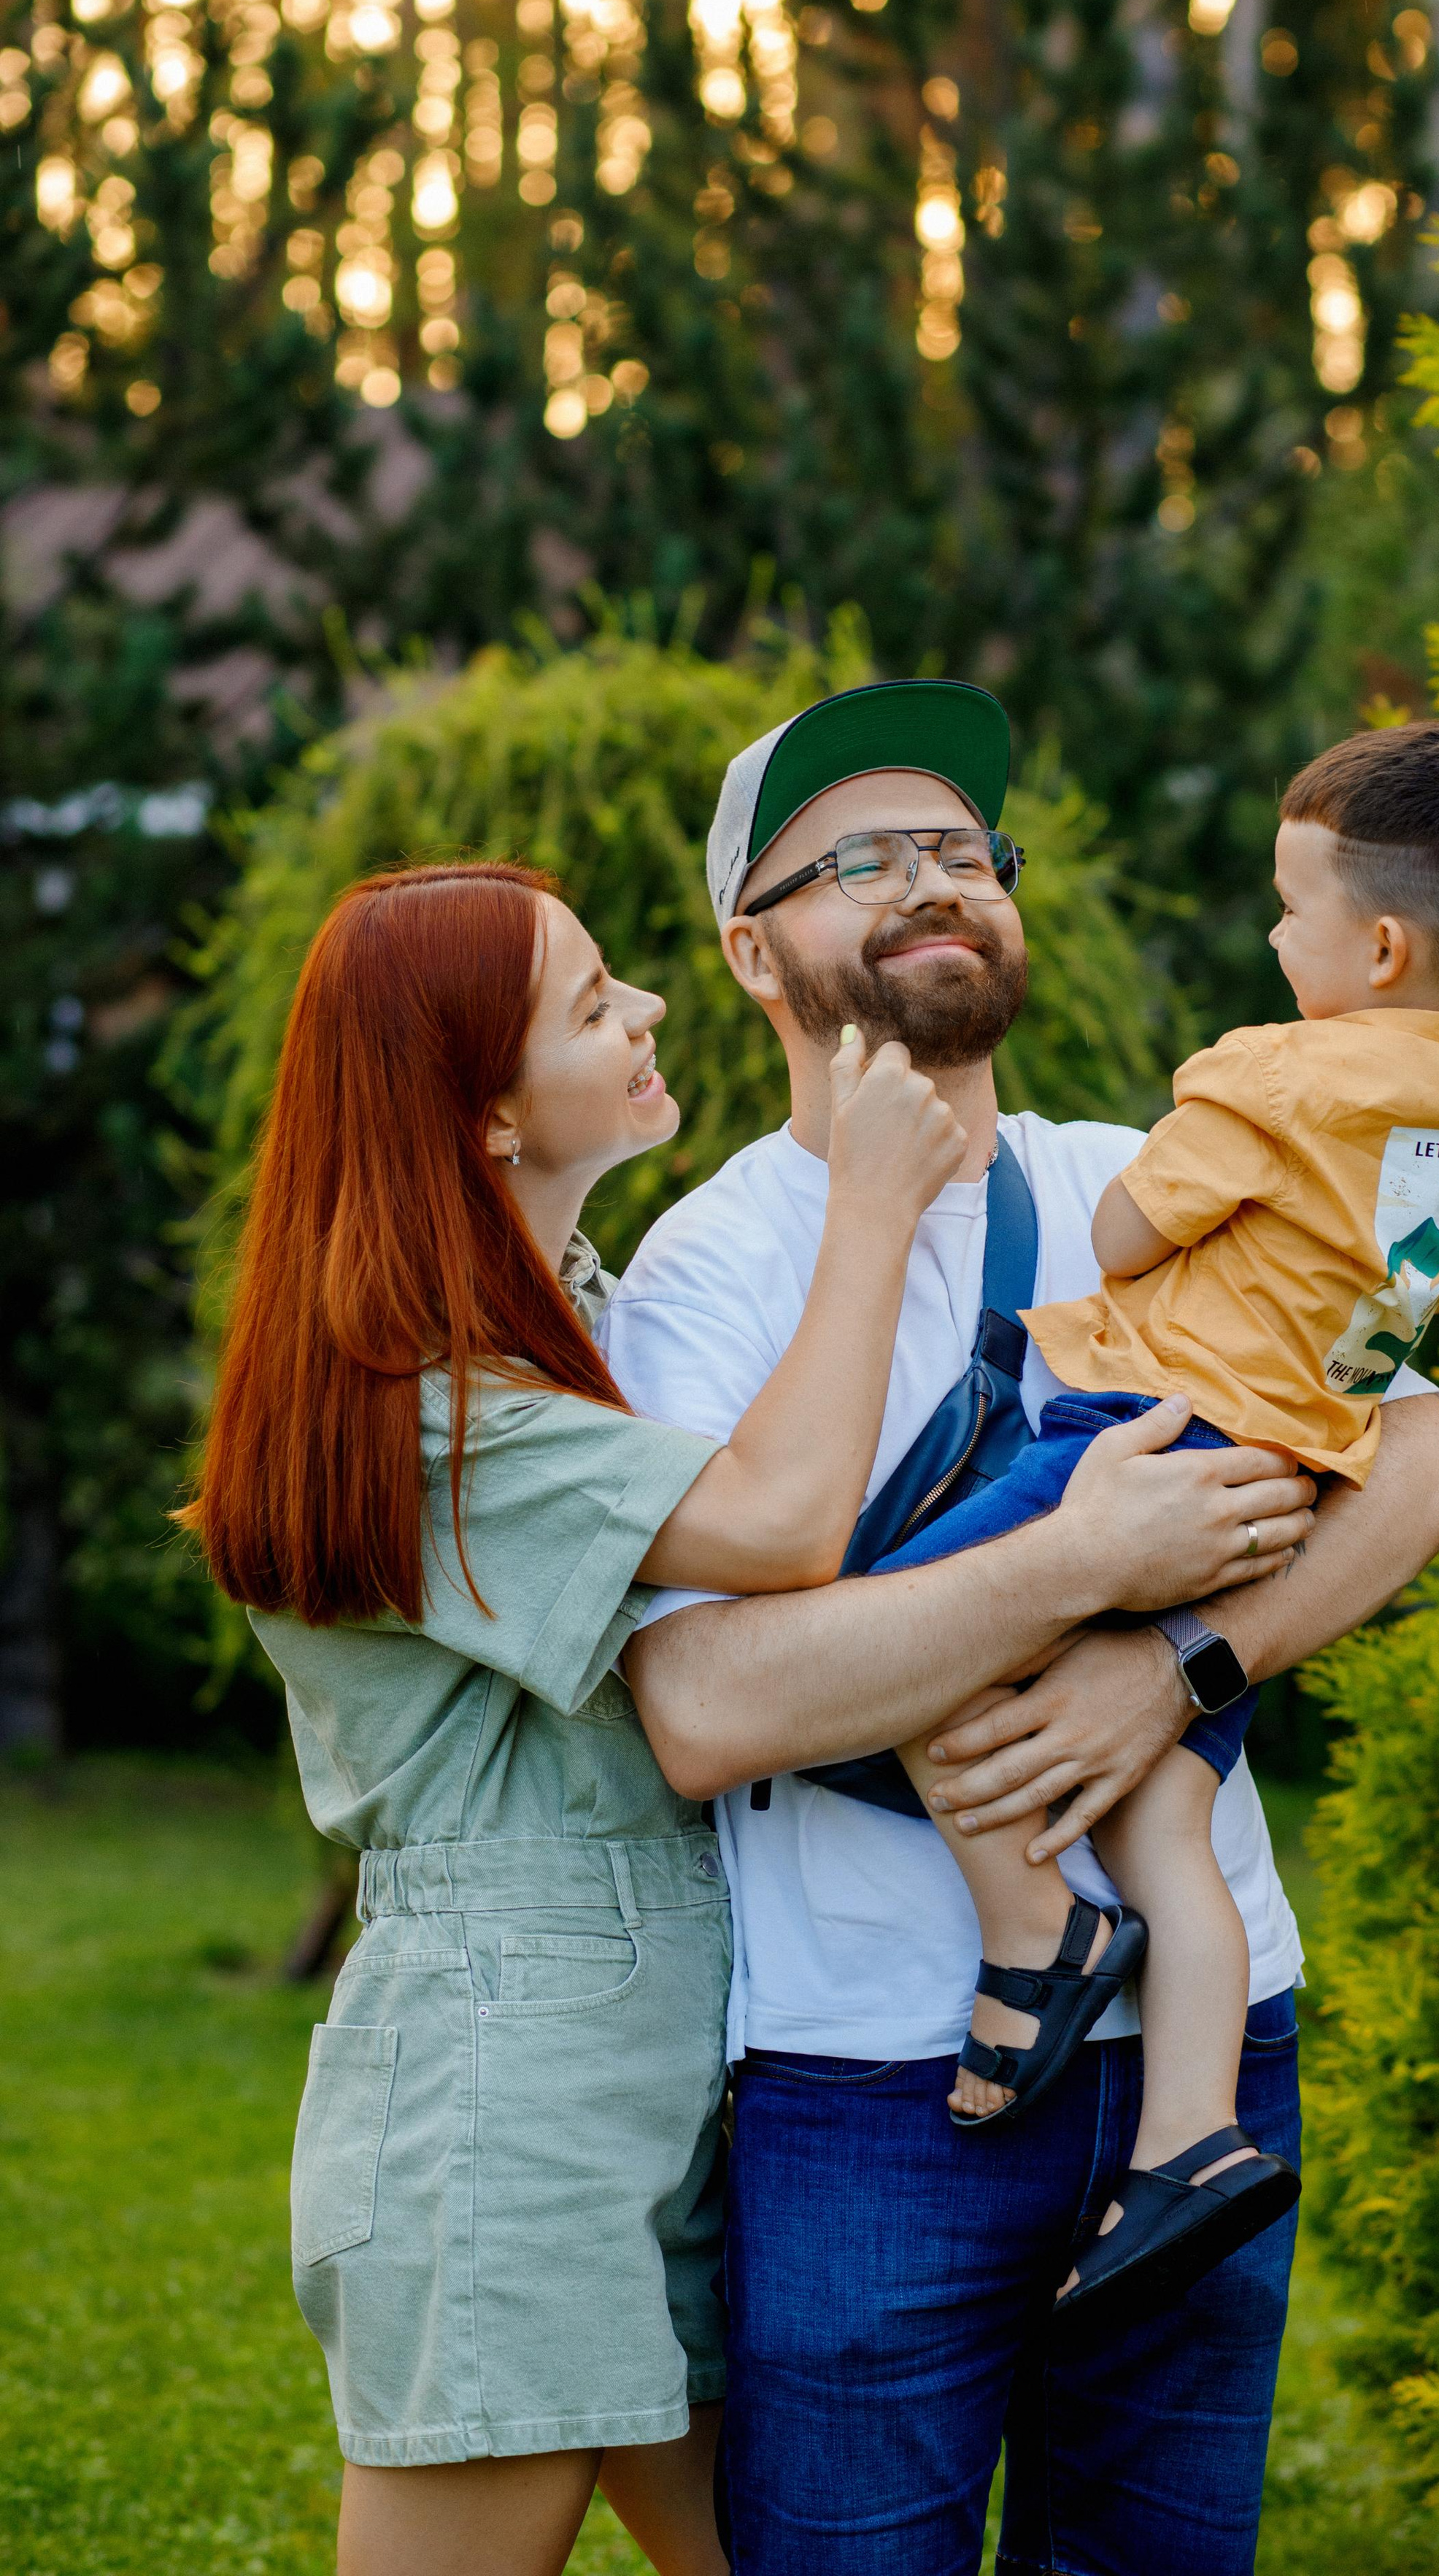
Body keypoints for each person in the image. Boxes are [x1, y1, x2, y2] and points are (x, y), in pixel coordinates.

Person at [180, 859, 1283, 2576]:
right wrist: (864, 1216)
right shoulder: (425, 1401)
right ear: (483, 1112)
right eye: (592, 1000)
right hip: (508, 2076)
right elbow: (778, 1533)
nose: (648, 1011)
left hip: (658, 2049)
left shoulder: (567, 1324)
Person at [603, 679, 1439, 2576]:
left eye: (962, 852)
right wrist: (1079, 1563)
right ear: (754, 951)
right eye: (868, 858)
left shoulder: (1141, 1180)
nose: (938, 881)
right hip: (876, 2077)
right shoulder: (709, 1275)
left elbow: (1422, 1468)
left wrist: (1174, 1669)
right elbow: (697, 1709)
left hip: (1216, 2044)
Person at [864, 720, 1439, 2326]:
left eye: (1286, 907)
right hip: (1298, 1471)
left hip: (1148, 1432)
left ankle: (1031, 1933)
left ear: (1376, 946)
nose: (1270, 937)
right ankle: (1188, 2136)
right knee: (1165, 1822)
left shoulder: (1277, 1069)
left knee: (889, 1638)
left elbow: (1115, 1233)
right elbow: (1388, 1318)